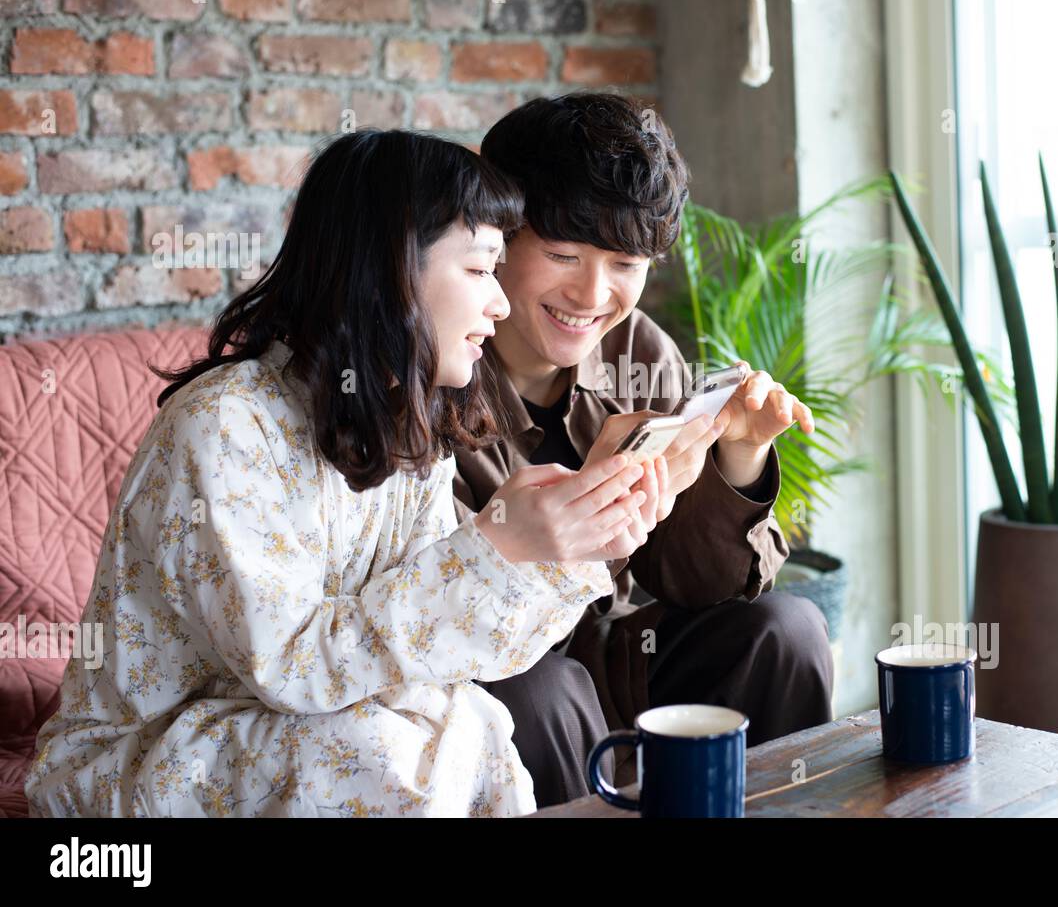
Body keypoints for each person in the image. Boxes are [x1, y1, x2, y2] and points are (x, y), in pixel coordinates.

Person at [24, 129, 670, 818]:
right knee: (376, 756)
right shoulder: (224, 425)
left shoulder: (404, 416)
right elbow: (291, 667)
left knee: (475, 726)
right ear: (393, 271)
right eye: (482, 269)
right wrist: (494, 550)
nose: (501, 304)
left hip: (300, 722)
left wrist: (569, 542)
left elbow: (449, 655)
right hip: (145, 753)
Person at [454, 93, 836, 806]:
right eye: (564, 253)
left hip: (627, 660)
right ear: (497, 235)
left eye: (625, 262)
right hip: (511, 666)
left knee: (786, 629)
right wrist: (585, 511)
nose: (592, 294)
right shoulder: (436, 365)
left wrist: (738, 460)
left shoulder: (639, 353)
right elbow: (456, 613)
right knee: (541, 691)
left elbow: (692, 581)